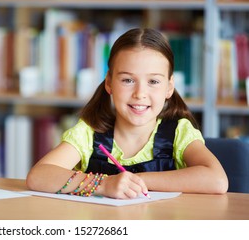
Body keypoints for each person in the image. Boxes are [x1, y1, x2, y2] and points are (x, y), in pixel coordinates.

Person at [26, 28, 228, 199]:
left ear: (169, 87)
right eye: (128, 80)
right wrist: (105, 185)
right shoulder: (89, 132)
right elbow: (38, 176)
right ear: (109, 83)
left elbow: (217, 180)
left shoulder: (179, 131)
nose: (140, 93)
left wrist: (135, 181)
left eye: (153, 82)